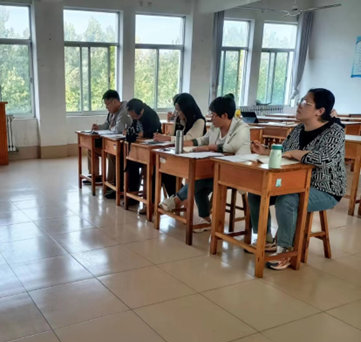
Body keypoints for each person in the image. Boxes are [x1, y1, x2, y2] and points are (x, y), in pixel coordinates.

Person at [249, 88, 346, 270]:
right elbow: (286, 152)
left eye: (305, 103)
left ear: (320, 111)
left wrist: (296, 153)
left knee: (287, 200)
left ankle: (285, 250)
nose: (299, 105)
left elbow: (323, 159)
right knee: (256, 192)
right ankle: (267, 239)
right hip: (293, 182)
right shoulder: (298, 129)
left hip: (325, 188)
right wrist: (266, 151)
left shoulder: (335, 132)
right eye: (300, 101)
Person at [159, 95, 251, 231]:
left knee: (199, 180)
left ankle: (177, 200)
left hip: (236, 172)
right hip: (216, 169)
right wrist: (188, 144)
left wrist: (208, 148)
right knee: (199, 179)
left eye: (213, 115)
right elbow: (203, 140)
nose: (210, 118)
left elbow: (231, 147)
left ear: (224, 115)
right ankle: (205, 219)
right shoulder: (215, 127)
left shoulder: (242, 128)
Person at [88, 90, 132, 198]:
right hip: (111, 142)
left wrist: (109, 128)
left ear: (114, 102)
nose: (106, 107)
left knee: (112, 155)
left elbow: (119, 129)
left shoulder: (124, 110)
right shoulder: (112, 112)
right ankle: (96, 176)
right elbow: (107, 124)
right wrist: (99, 127)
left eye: (107, 104)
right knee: (91, 148)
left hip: (122, 145)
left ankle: (111, 185)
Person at [125, 99, 162, 213]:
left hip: (152, 149)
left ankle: (150, 201)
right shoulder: (135, 115)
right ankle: (133, 194)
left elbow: (157, 132)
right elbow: (134, 128)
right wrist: (129, 131)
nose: (133, 118)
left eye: (134, 116)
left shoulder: (151, 115)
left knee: (150, 171)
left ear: (140, 111)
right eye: (131, 116)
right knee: (130, 163)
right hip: (140, 147)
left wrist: (144, 134)